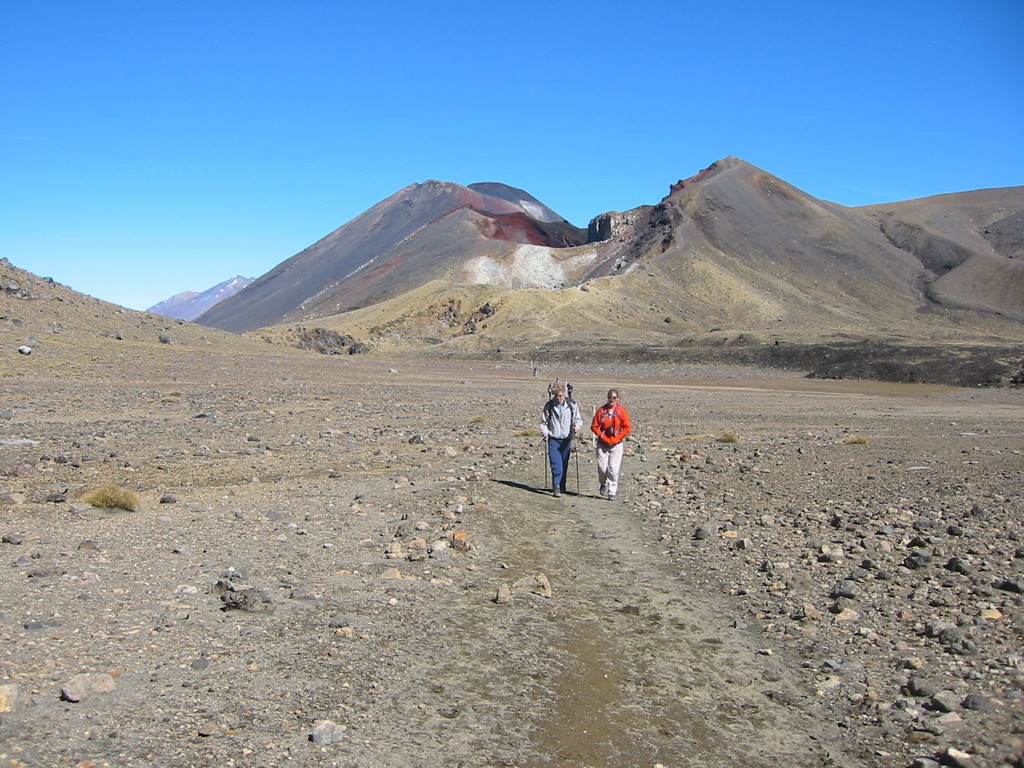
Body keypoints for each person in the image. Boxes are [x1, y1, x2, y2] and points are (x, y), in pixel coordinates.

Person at [540, 383, 582, 497]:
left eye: (561, 395)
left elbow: (578, 419)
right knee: (556, 465)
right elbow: (544, 422)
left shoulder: (572, 405)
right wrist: (545, 433)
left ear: (564, 394)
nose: (559, 398)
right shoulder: (549, 406)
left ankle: (562, 485)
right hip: (553, 439)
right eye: (557, 396)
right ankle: (556, 487)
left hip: (566, 440)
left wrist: (577, 426)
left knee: (564, 463)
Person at [591, 388, 632, 501]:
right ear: (607, 398)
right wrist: (602, 435)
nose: (612, 400)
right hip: (603, 444)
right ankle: (603, 483)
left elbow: (627, 427)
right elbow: (594, 426)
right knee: (602, 468)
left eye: (614, 398)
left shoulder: (621, 411)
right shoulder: (601, 411)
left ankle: (612, 491)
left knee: (613, 469)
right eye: (610, 397)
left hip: (616, 444)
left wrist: (618, 437)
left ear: (617, 399)